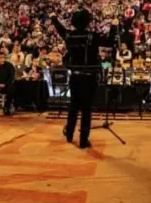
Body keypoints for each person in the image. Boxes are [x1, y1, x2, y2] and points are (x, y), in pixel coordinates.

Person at [50, 9, 117, 149]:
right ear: (88, 22)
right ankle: (83, 140)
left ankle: (69, 134)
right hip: (89, 77)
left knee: (73, 106)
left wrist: (54, 18)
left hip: (75, 75)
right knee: (86, 109)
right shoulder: (92, 36)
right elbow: (110, 42)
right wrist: (114, 26)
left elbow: (60, 29)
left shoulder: (70, 35)